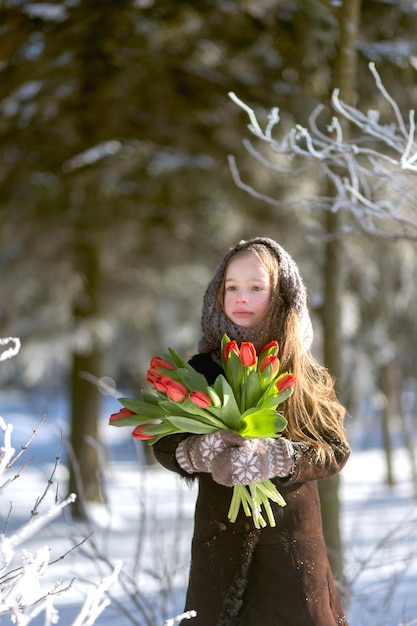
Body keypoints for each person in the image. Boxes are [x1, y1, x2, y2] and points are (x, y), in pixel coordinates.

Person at [153, 237, 350, 626]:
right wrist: (199, 451)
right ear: (217, 295)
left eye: (256, 287)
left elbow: (333, 449)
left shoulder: (302, 373)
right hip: (219, 555)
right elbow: (165, 441)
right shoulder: (203, 370)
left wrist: (276, 457)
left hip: (292, 557)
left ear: (281, 296)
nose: (241, 297)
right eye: (232, 287)